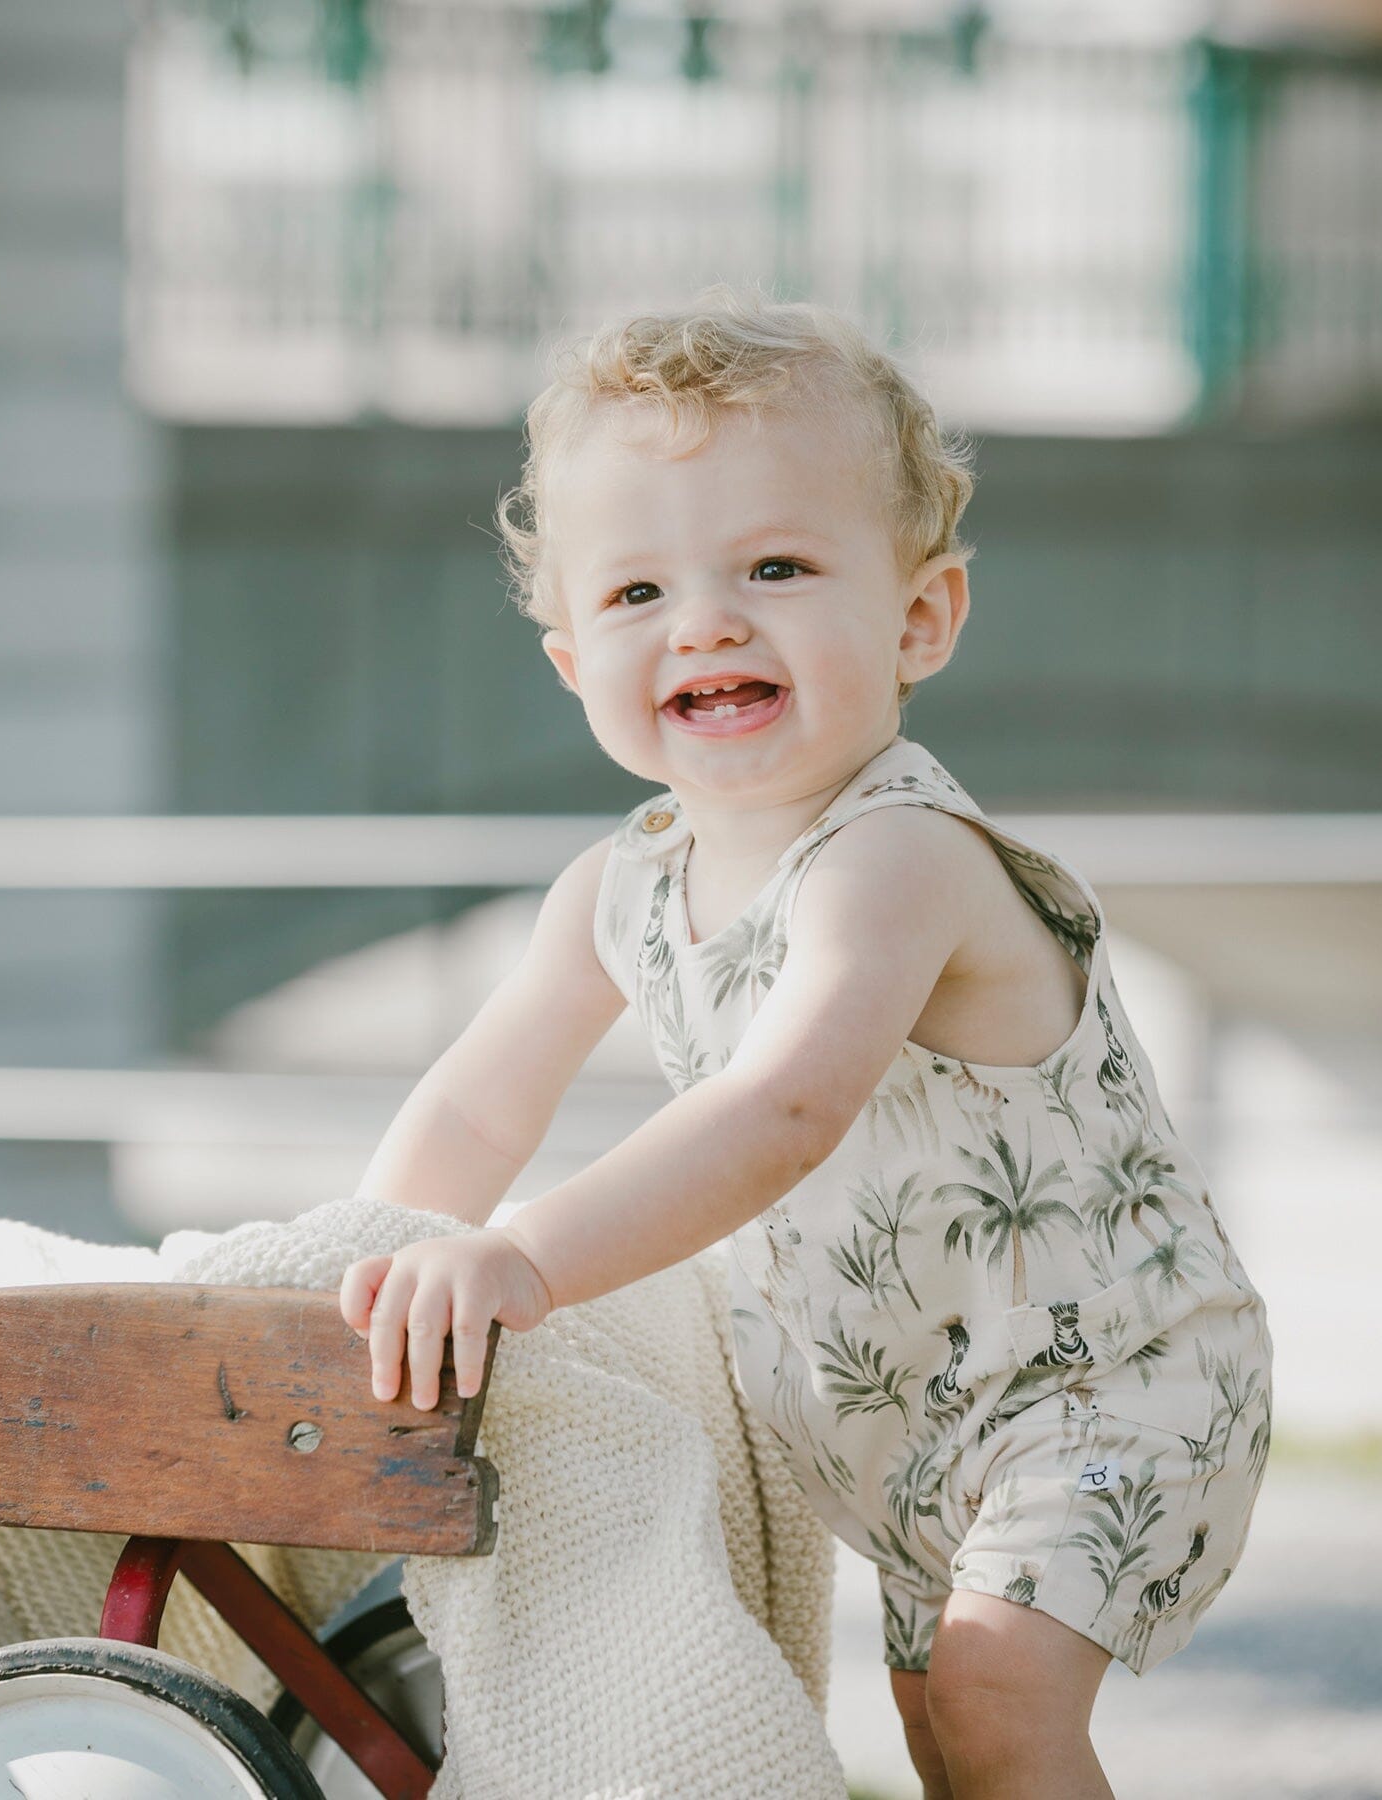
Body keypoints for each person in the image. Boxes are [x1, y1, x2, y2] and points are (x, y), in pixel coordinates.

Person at [338, 285, 1273, 1799]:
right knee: (941, 1735)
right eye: (637, 592)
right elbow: (473, 1109)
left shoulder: (896, 857)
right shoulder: (615, 891)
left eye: (775, 567)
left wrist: (520, 1261)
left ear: (919, 620)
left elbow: (780, 1110)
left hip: (1108, 1386)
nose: (706, 619)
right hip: (908, 1427)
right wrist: (368, 1257)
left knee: (996, 1701)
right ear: (573, 661)